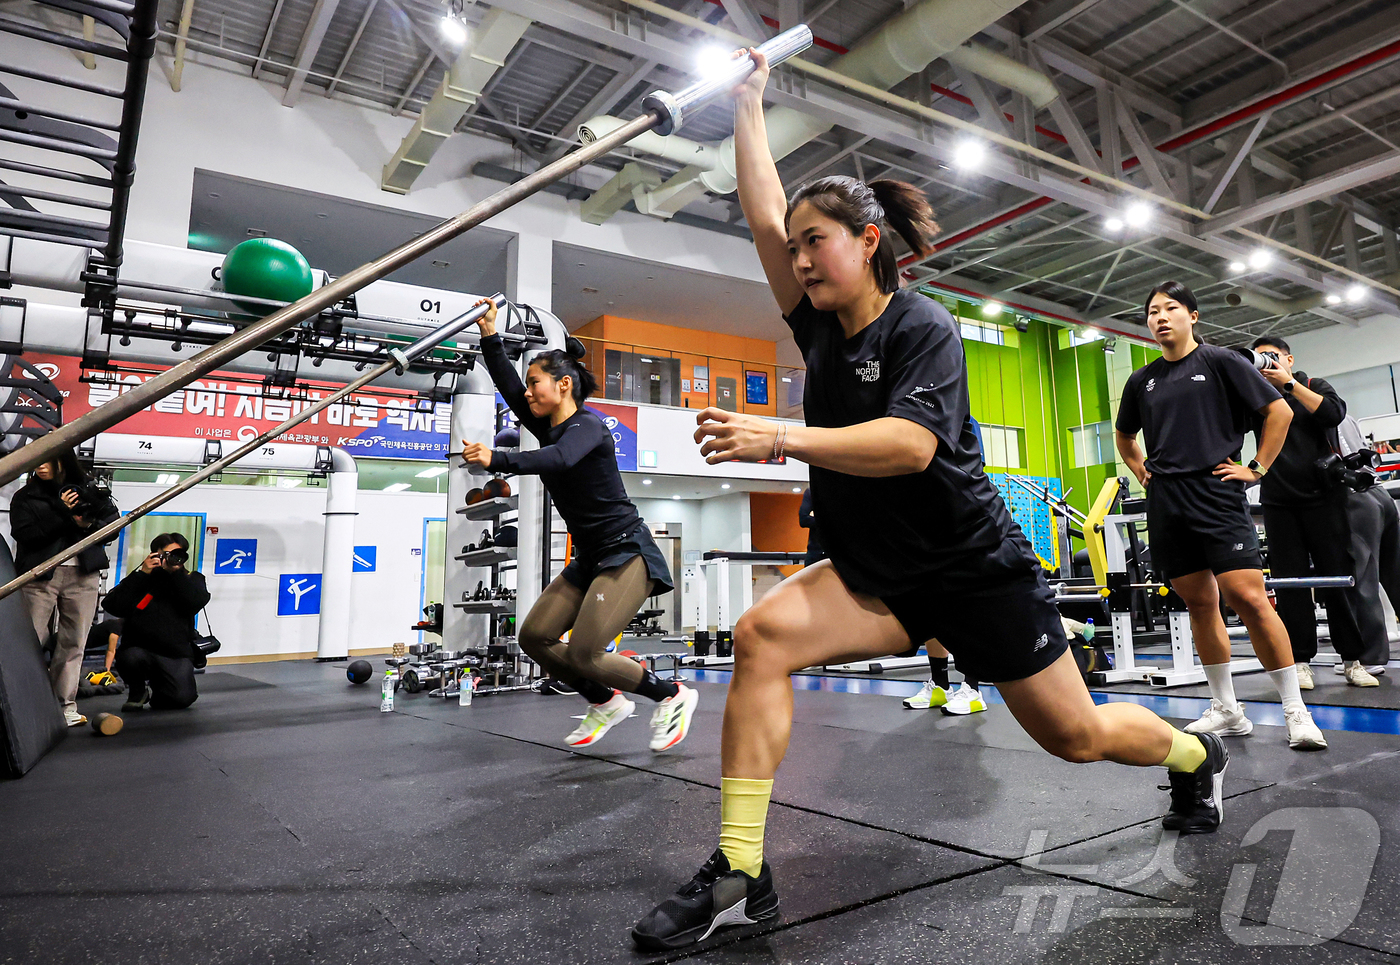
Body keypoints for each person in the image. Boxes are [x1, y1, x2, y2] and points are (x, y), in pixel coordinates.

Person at [631, 50, 1230, 953]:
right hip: (879, 574)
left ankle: (1196, 754)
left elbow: (909, 447)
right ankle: (742, 873)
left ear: (867, 241)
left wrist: (780, 437)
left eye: (815, 242)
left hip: (974, 570)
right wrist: (749, 100)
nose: (799, 258)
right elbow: (761, 208)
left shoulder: (924, 326)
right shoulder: (816, 322)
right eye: (794, 249)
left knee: (1076, 736)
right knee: (760, 636)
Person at [461, 300, 697, 753]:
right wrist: (490, 333)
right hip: (591, 557)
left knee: (586, 652)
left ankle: (672, 695)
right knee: (534, 636)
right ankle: (604, 701)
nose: (528, 393)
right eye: (529, 385)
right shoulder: (547, 426)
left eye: (536, 383)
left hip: (626, 552)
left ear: (563, 384)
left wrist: (499, 458)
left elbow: (560, 459)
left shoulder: (588, 428)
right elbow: (508, 385)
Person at [1114, 281, 1325, 751]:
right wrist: (1141, 470)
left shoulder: (1221, 361)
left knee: (1248, 598)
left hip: (1217, 493)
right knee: (1200, 604)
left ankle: (1296, 710)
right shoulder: (1141, 380)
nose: (1160, 317)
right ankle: (1227, 708)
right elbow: (1124, 436)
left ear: (1193, 316)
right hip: (1168, 501)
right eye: (1152, 311)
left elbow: (1280, 413)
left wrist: (1257, 469)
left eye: (1170, 308)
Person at [1248, 337, 1375, 689]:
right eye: (1260, 359)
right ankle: (1300, 661)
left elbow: (1334, 414)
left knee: (1339, 580)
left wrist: (1288, 384)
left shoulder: (1313, 385)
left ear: (1289, 359)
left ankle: (1352, 660)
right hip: (1279, 502)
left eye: (1273, 357)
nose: (1268, 364)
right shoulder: (1257, 396)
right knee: (1290, 585)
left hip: (1325, 499)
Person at [10, 447, 119, 727]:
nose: (41, 466)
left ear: (63, 461)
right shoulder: (26, 496)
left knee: (74, 642)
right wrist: (62, 512)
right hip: (39, 574)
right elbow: (25, 535)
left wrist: (87, 523)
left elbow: (113, 525)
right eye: (38, 461)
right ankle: (21, 705)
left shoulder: (88, 489)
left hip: (83, 573)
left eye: (48, 461)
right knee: (30, 641)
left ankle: (64, 705)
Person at [104, 533, 209, 711]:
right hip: (139, 648)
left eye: (177, 554)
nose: (172, 558)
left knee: (181, 699)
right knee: (130, 658)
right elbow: (112, 605)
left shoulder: (192, 579)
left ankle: (161, 690)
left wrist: (176, 573)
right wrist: (141, 575)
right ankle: (137, 691)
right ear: (155, 555)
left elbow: (195, 602)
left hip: (175, 652)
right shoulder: (142, 578)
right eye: (167, 554)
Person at [1339, 414, 1397, 673]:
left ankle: (1370, 658)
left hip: (1357, 497)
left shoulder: (1315, 412)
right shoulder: (1345, 414)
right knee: (1395, 573)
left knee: (1363, 578)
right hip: (1381, 494)